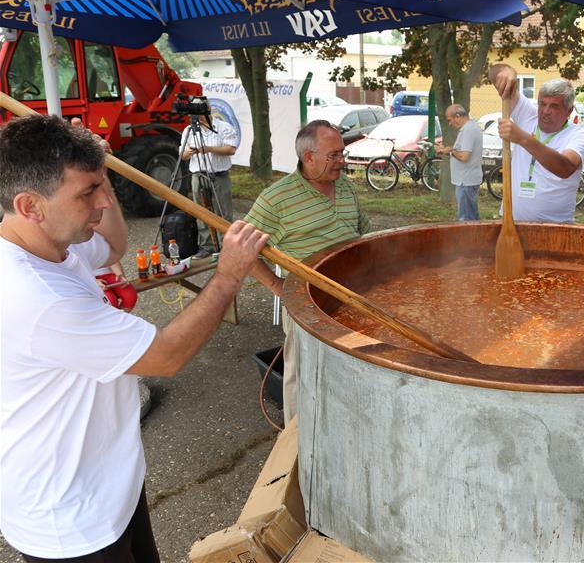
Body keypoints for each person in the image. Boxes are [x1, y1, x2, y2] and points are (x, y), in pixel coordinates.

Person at [0, 114, 268, 562]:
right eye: (88, 192)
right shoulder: (38, 298)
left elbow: (114, 246)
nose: (105, 200)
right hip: (70, 519)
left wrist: (99, 168)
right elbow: (165, 356)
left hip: (108, 484)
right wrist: (227, 277)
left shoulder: (50, 243)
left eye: (104, 184)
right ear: (30, 206)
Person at [245, 120, 370, 422]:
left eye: (342, 153)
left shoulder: (345, 187)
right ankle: (295, 442)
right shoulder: (277, 199)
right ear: (308, 157)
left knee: (349, 366)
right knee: (300, 373)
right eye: (334, 155)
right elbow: (241, 249)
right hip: (308, 303)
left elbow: (364, 234)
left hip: (353, 297)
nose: (342, 161)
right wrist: (277, 286)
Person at [487, 64, 584, 223]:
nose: (545, 111)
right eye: (542, 103)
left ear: (569, 111)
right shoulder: (528, 115)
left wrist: (523, 138)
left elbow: (565, 167)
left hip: (555, 228)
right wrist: (507, 72)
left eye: (554, 106)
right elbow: (495, 74)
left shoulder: (578, 134)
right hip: (511, 223)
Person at [180, 114, 239, 258]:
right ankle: (206, 246)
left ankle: (226, 247)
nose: (197, 117)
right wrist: (189, 152)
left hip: (219, 175)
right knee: (200, 213)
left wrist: (209, 149)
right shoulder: (189, 129)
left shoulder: (224, 127)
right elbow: (182, 155)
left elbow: (231, 149)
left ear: (207, 111)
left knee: (223, 213)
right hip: (198, 175)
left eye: (199, 114)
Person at [437, 104, 482, 221]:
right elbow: (463, 150)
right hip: (466, 180)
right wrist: (448, 150)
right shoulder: (469, 128)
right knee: (471, 216)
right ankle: (475, 237)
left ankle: (470, 239)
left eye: (450, 120)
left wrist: (450, 151)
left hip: (465, 181)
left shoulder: (468, 130)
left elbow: (464, 156)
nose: (450, 124)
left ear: (457, 116)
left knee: (466, 219)